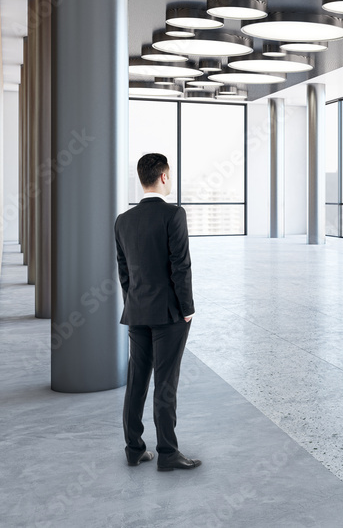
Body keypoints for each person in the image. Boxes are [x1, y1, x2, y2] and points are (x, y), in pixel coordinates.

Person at [114, 153, 201, 471]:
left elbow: (124, 273)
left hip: (136, 311)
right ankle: (167, 453)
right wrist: (187, 308)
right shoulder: (174, 214)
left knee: (136, 381)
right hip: (168, 314)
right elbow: (181, 265)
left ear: (141, 179)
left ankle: (133, 449)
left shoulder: (123, 220)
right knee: (166, 382)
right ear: (164, 177)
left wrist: (133, 303)